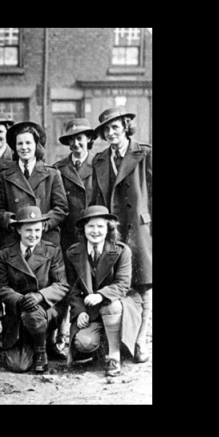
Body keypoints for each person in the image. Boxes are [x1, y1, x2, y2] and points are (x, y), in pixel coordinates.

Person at [89, 107, 152, 363]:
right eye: (106, 129)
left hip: (139, 229)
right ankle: (115, 340)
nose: (111, 133)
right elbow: (95, 197)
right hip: (112, 231)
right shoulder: (100, 159)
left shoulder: (145, 153)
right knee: (115, 284)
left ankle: (141, 340)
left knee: (145, 284)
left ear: (126, 126)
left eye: (115, 127)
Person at [0, 206, 71, 373]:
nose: (33, 235)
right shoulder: (6, 254)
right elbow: (1, 286)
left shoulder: (52, 251)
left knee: (34, 314)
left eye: (37, 230)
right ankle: (31, 345)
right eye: (28, 230)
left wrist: (40, 296)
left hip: (47, 311)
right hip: (18, 312)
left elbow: (61, 285)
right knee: (17, 365)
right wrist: (19, 299)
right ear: (18, 230)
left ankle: (41, 352)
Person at [65, 206, 138, 377]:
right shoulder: (73, 253)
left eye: (100, 226)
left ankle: (114, 355)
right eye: (90, 226)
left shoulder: (121, 251)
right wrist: (80, 311)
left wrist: (100, 295)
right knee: (84, 343)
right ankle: (102, 344)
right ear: (83, 229)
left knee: (110, 306)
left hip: (118, 306)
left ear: (108, 228)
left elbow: (122, 284)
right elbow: (72, 288)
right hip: (91, 311)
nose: (95, 231)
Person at [0, 121, 68, 249]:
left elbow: (61, 208)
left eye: (28, 143)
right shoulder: (4, 175)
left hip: (45, 239)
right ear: (14, 147)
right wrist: (11, 220)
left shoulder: (52, 174)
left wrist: (43, 223)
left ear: (36, 145)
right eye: (20, 143)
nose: (24, 147)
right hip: (14, 239)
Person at [53, 119, 97, 253]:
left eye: (79, 138)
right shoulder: (58, 168)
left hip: (94, 230)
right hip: (69, 233)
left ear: (89, 138)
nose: (75, 143)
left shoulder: (99, 164)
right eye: (71, 139)